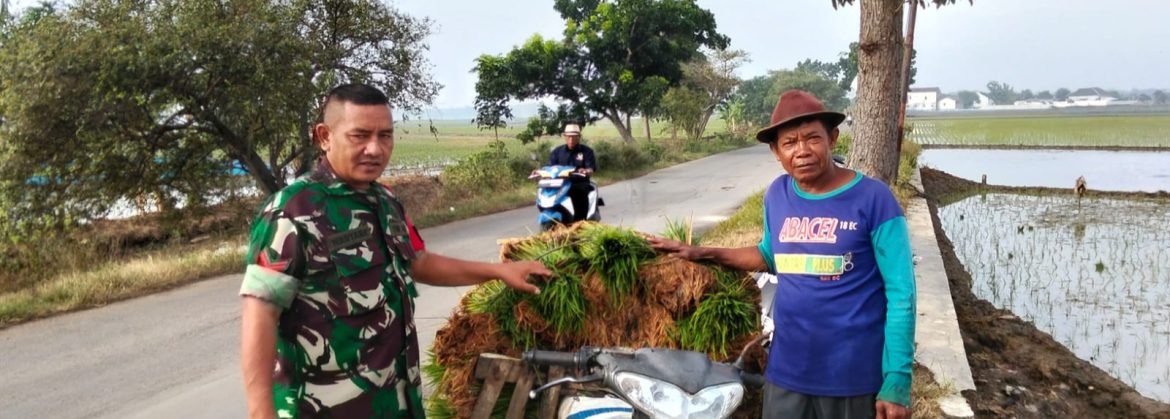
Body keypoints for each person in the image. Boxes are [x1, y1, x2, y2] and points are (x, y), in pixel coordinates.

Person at [239, 84, 552, 419]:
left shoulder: (385, 201)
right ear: (325, 136)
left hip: (399, 403)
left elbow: (419, 262)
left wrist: (499, 271)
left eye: (385, 136)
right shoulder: (292, 212)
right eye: (360, 136)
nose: (375, 149)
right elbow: (260, 315)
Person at [649, 90, 916, 419]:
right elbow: (768, 255)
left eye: (812, 138)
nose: (802, 151)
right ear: (776, 151)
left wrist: (897, 379)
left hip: (852, 377)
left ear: (832, 138)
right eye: (790, 142)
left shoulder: (875, 199)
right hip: (787, 372)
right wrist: (702, 252)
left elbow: (902, 293)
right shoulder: (777, 194)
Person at [547, 123, 598, 219]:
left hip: (578, 183)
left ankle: (581, 221)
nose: (571, 139)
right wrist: (539, 172)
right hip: (559, 185)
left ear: (579, 137)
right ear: (564, 137)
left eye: (574, 137)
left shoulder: (587, 151)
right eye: (569, 137)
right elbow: (549, 167)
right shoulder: (557, 152)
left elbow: (591, 168)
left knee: (579, 193)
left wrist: (586, 171)